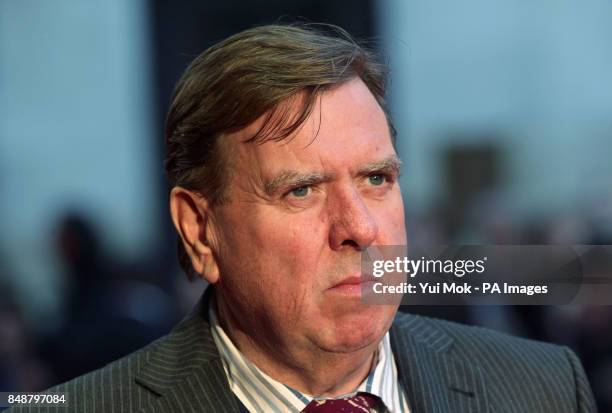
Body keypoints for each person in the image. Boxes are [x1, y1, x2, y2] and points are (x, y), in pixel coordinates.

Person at [9, 23, 596, 413]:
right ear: (199, 231)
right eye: (301, 191)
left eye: (376, 179)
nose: (360, 228)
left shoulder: (541, 387)